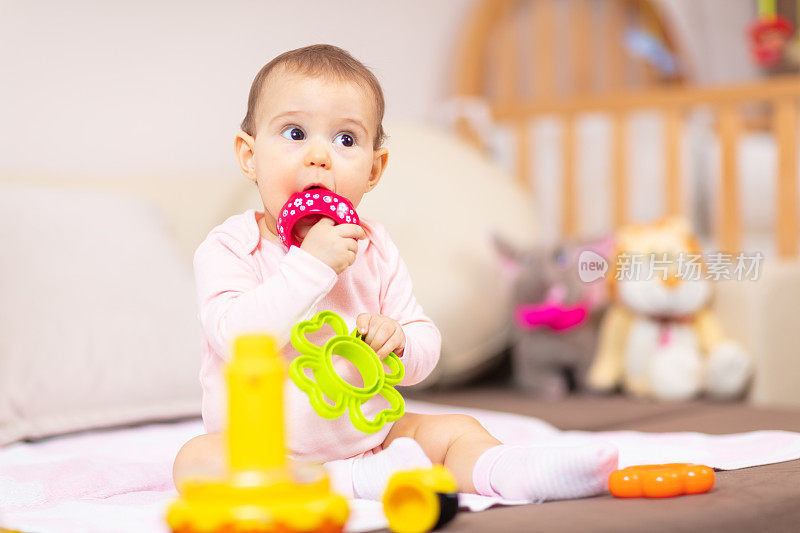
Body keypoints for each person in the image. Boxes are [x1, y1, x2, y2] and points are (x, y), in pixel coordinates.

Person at [172, 44, 618, 501]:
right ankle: (345, 484)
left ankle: (511, 470)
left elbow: (423, 344)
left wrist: (398, 342)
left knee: (457, 429)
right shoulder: (229, 247)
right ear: (249, 157)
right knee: (196, 461)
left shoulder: (374, 247)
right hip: (262, 448)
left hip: (371, 436)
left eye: (346, 139)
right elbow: (237, 339)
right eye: (294, 132)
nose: (320, 155)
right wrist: (311, 265)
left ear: (373, 169)